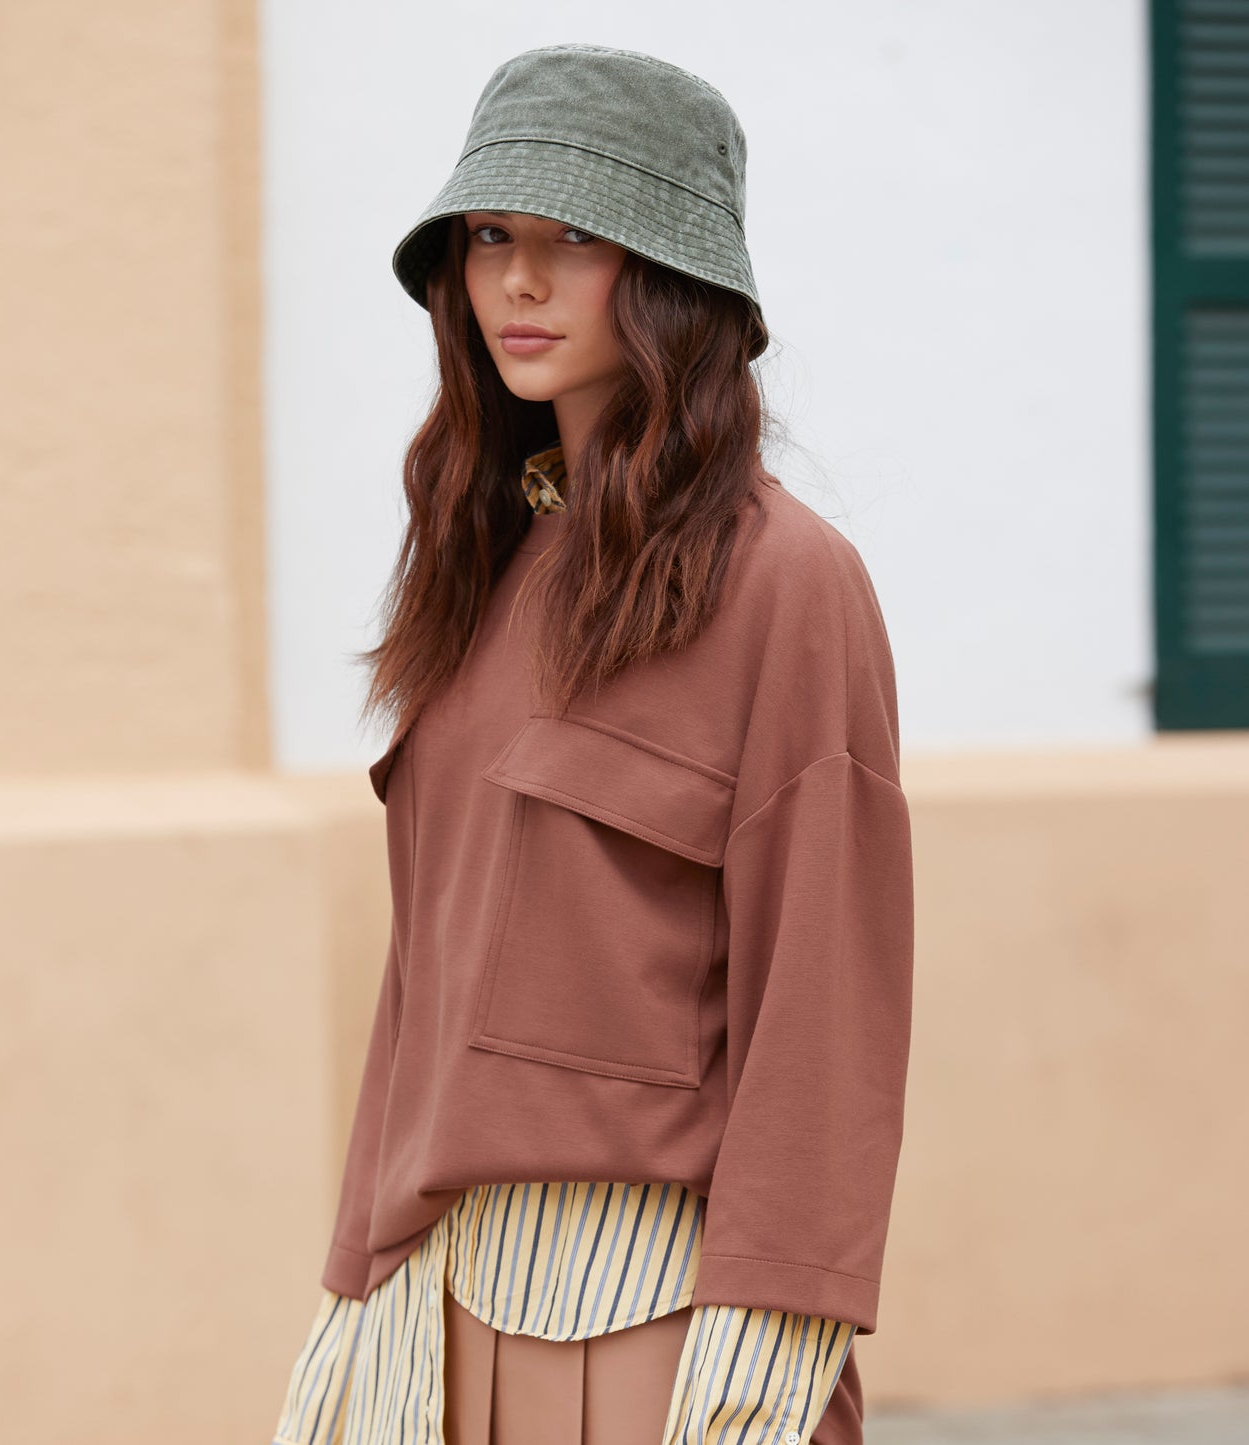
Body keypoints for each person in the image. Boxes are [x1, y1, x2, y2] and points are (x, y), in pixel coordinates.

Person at [271, 42, 913, 1445]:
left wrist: (759, 1360)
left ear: (675, 280)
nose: (516, 280)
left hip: (657, 1327)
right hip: (429, 1303)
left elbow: (828, 996)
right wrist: (352, 1292)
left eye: (575, 240)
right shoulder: (485, 561)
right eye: (489, 236)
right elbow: (420, 975)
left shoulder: (786, 583)